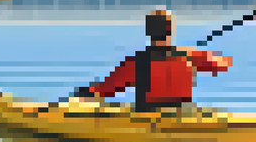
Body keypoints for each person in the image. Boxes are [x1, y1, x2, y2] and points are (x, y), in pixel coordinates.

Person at [71, 8, 232, 113]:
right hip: (184, 114)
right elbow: (223, 65)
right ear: (171, 30)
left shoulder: (136, 62)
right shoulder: (190, 55)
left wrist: (85, 92)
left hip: (149, 117)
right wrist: (208, 56)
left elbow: (106, 90)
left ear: (148, 32)